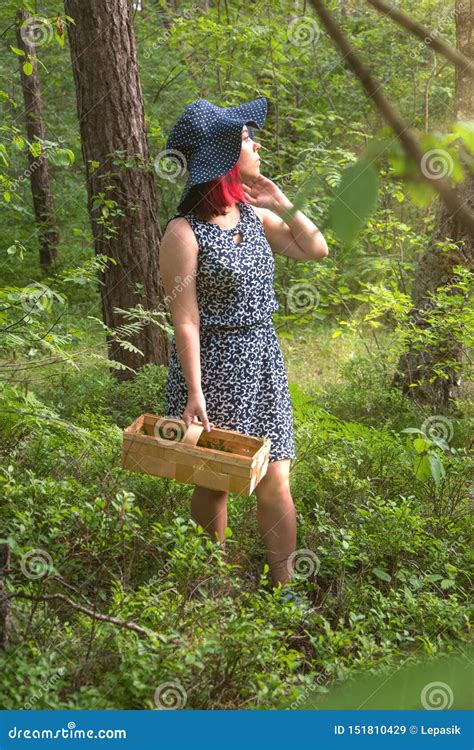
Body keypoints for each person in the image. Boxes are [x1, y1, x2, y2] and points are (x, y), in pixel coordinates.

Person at [159, 97, 328, 589]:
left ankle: (284, 589)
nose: (256, 144)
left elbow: (315, 248)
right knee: (216, 482)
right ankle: (208, 587)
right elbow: (185, 319)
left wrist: (282, 202)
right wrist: (194, 392)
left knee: (276, 478)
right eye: (247, 139)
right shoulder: (183, 232)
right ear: (223, 156)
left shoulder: (253, 216)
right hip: (213, 368)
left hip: (263, 362)